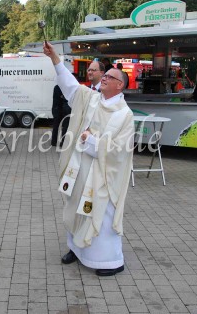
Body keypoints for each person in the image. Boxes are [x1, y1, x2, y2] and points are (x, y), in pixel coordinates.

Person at [43, 42, 134, 277]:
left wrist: (92, 142)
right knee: (75, 206)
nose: (104, 78)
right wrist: (55, 58)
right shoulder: (92, 99)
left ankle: (110, 261)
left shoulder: (125, 115)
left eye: (110, 76)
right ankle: (76, 249)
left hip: (103, 175)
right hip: (80, 168)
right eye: (104, 75)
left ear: (120, 85)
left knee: (101, 215)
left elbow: (121, 150)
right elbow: (70, 86)